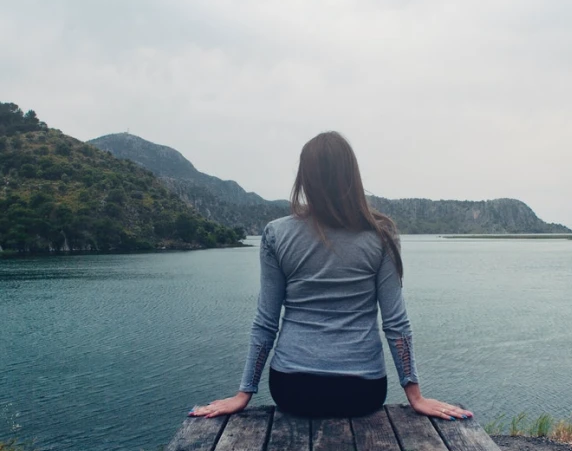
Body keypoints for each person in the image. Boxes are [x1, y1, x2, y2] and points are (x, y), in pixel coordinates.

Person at [189, 131, 473, 421]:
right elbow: (396, 322)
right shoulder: (381, 236)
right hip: (363, 392)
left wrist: (244, 393)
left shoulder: (277, 234)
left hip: (291, 389)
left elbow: (266, 321)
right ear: (352, 176)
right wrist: (415, 395)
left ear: (305, 178)